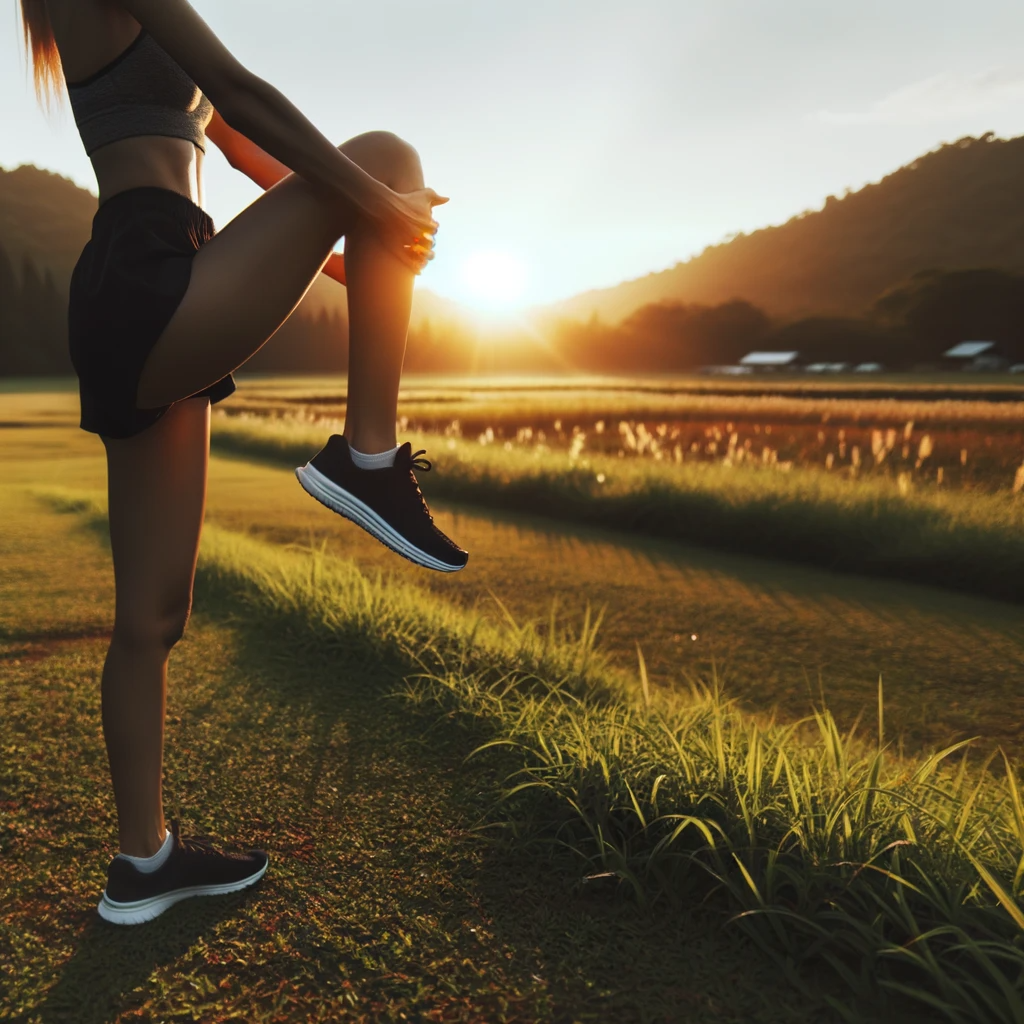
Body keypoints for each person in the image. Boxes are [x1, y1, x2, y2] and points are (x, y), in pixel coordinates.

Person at [19, 0, 468, 926]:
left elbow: (237, 142)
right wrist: (372, 200)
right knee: (387, 155)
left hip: (158, 278)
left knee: (152, 617)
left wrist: (349, 244)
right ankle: (367, 457)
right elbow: (241, 90)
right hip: (153, 276)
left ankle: (142, 864)